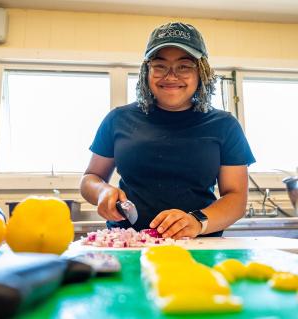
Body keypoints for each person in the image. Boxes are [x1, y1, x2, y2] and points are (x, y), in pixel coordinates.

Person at [80, 22, 255, 239]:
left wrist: (197, 221)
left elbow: (236, 198)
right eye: (160, 66)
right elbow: (90, 178)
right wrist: (102, 191)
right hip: (128, 244)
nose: (171, 76)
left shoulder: (225, 125)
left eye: (184, 66)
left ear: (201, 72)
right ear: (147, 70)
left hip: (198, 245)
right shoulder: (117, 119)